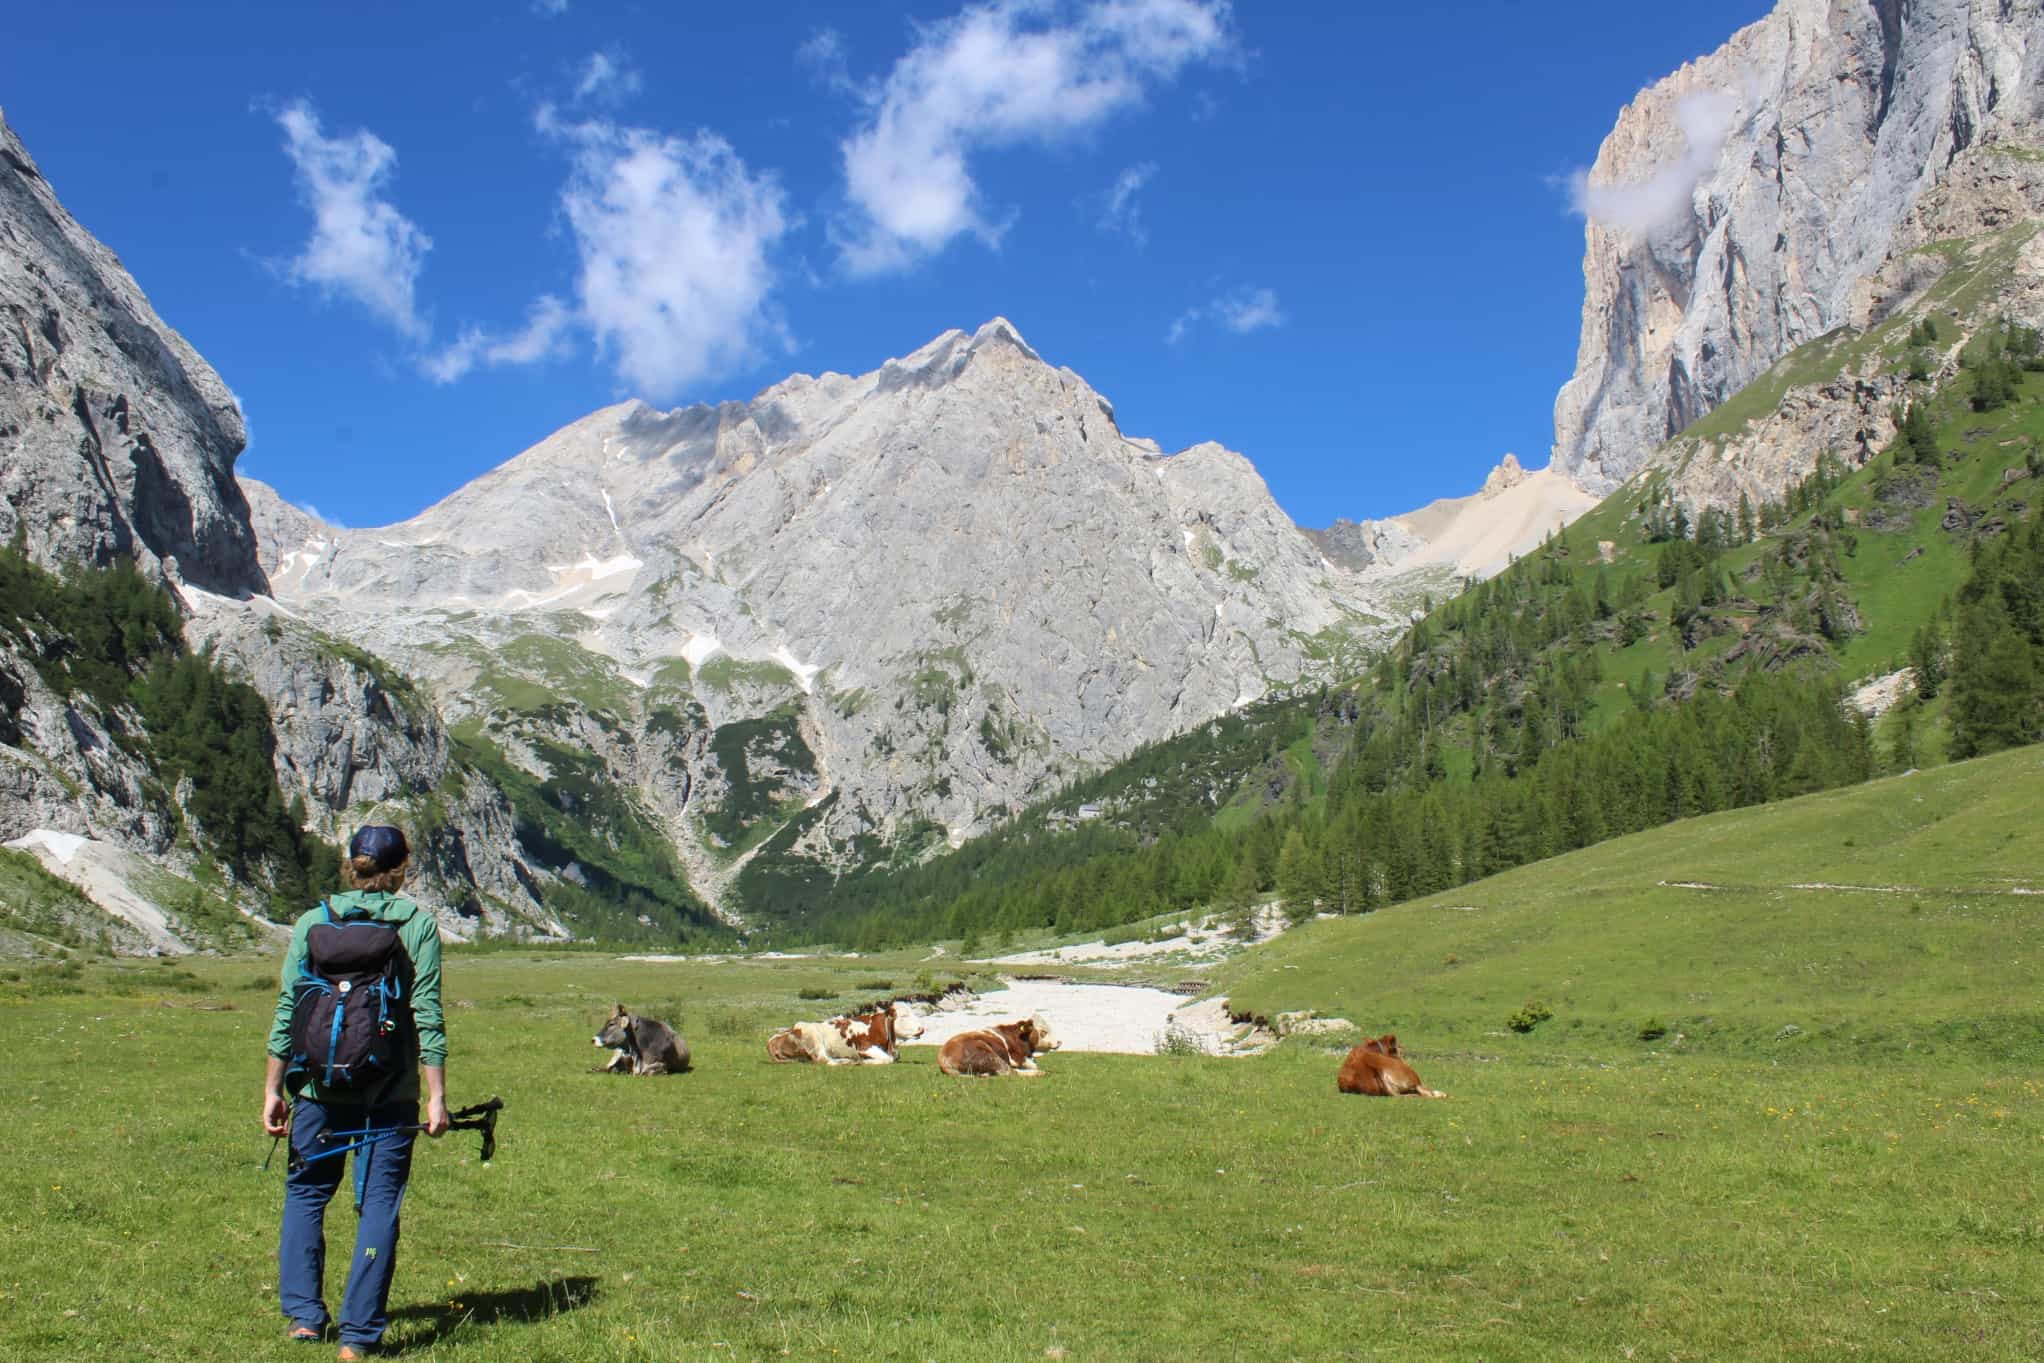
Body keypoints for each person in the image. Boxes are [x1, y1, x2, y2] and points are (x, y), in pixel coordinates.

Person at [262, 825, 448, 1360]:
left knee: (305, 1193)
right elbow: (427, 1016)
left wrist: (274, 1087)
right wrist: (435, 1096)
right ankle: (360, 1336)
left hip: (317, 1088)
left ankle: (303, 1317)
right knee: (379, 1204)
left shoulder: (312, 923)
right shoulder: (416, 925)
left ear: (351, 865)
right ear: (401, 869)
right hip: (389, 1091)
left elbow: (287, 1011)